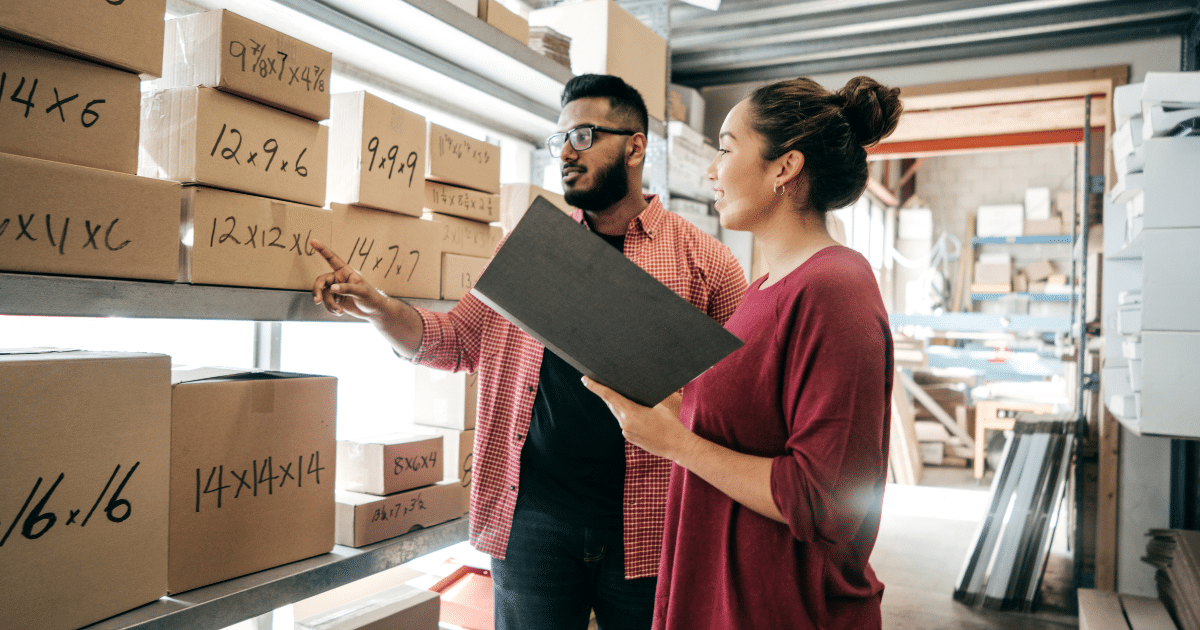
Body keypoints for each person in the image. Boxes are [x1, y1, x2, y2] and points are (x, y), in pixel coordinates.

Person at [310, 73, 748, 630]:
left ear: (636, 145)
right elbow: (455, 340)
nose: (566, 151)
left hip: (652, 519)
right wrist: (379, 308)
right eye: (560, 138)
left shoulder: (705, 262)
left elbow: (740, 398)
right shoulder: (532, 249)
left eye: (585, 135)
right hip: (534, 519)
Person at [582, 75, 902, 630]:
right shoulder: (764, 288)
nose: (711, 170)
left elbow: (822, 498)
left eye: (725, 150)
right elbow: (746, 421)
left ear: (785, 167)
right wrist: (665, 401)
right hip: (724, 596)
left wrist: (676, 444)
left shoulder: (835, 288)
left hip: (784, 607)